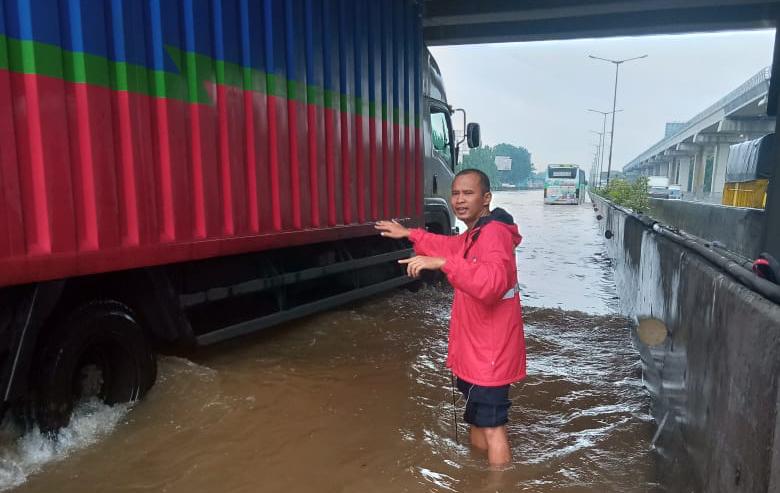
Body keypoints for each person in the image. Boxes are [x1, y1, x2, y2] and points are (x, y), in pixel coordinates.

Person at [375, 169, 526, 467]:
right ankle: (475, 478)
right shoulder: (476, 233)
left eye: (467, 193)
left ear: (486, 198)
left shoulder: (494, 233)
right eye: (455, 193)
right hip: (476, 354)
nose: (458, 200)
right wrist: (410, 234)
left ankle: (497, 486)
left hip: (490, 356)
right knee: (478, 421)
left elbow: (492, 283)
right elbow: (450, 247)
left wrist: (443, 263)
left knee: (494, 429)